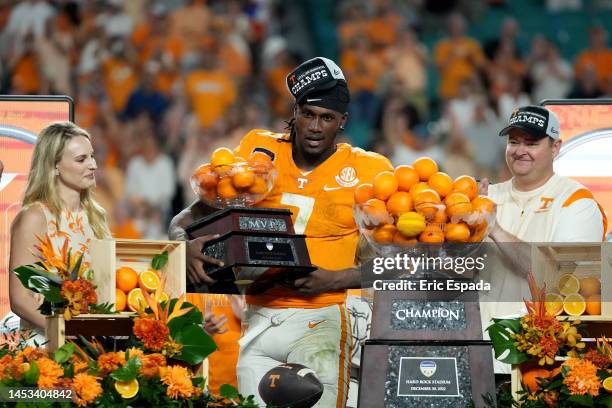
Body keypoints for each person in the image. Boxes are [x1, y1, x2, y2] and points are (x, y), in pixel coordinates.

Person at [169, 57, 393, 407]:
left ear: (343, 122)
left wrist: (336, 279)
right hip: (257, 316)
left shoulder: (369, 169)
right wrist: (185, 245)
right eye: (308, 114)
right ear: (295, 112)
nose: (316, 127)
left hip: (323, 317)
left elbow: (400, 262)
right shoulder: (259, 154)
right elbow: (185, 218)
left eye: (327, 118)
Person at [479, 105, 607, 373]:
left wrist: (495, 230)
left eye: (532, 143)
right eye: (514, 141)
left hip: (538, 363)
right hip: (476, 352)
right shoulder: (486, 197)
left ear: (555, 147)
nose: (520, 150)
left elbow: (559, 278)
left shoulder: (576, 201)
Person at [9, 122, 111, 342]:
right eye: (81, 159)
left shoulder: (96, 216)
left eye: (92, 156)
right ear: (54, 165)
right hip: (45, 347)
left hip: (92, 347)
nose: (93, 165)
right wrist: (66, 334)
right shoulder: (35, 217)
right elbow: (20, 298)